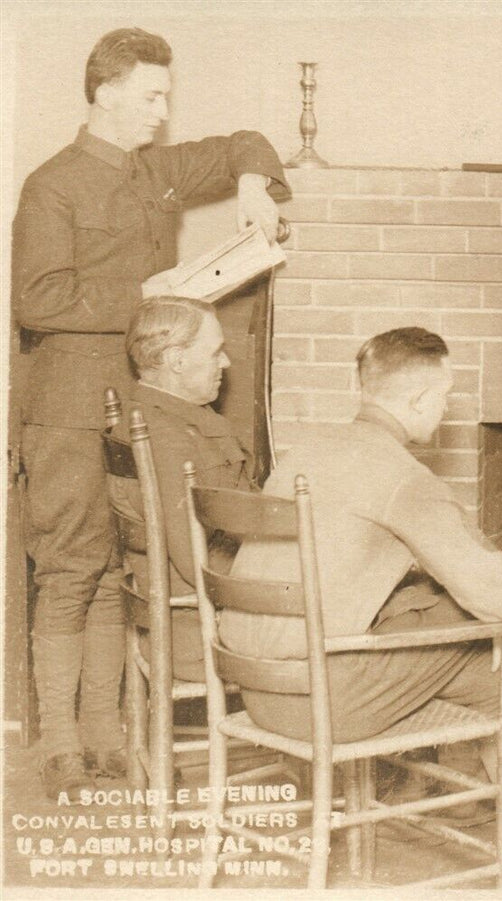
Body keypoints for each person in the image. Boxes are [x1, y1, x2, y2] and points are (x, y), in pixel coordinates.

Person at [11, 27, 289, 800]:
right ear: (103, 92)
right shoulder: (52, 185)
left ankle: (105, 732)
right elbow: (36, 297)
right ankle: (62, 744)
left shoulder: (154, 173)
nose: (162, 114)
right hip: (67, 404)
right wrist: (141, 293)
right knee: (70, 568)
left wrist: (252, 184)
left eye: (167, 97)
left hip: (134, 407)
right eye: (150, 97)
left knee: (112, 569)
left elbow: (245, 141)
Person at [224, 328, 502, 834]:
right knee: (497, 654)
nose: (445, 409)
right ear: (420, 398)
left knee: (451, 618)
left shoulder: (305, 453)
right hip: (322, 705)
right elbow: (497, 590)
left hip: (258, 693)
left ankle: (465, 790)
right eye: (444, 397)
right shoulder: (401, 475)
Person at [108, 297, 254, 690]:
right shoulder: (169, 437)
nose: (225, 363)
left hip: (194, 620)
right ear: (175, 360)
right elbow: (197, 563)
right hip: (206, 635)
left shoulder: (166, 418)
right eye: (215, 352)